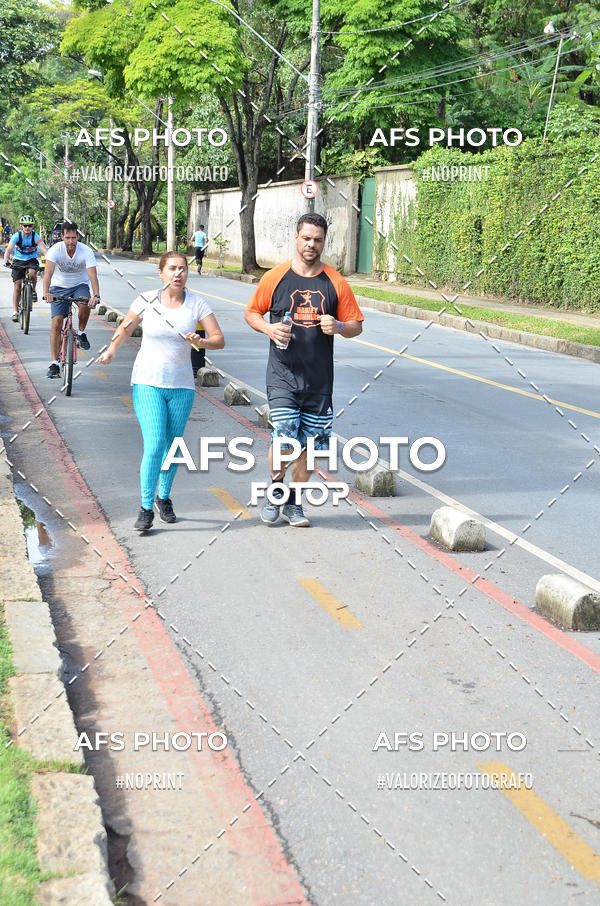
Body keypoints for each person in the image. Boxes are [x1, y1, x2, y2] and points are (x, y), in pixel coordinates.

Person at [245, 212, 364, 528]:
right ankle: (275, 491)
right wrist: (269, 330)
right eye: (306, 238)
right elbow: (252, 313)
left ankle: (295, 504)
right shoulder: (275, 277)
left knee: (310, 449)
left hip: (319, 380)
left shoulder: (335, 282)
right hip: (282, 375)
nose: (311, 244)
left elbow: (356, 326)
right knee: (285, 440)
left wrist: (339, 326)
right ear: (296, 238)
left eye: (317, 239)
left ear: (324, 242)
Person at [98, 251, 225, 533]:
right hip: (147, 381)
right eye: (172, 269)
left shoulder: (196, 304)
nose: (178, 274)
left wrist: (200, 340)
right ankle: (145, 507)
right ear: (161, 273)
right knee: (155, 444)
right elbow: (126, 327)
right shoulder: (146, 300)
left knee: (173, 447)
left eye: (182, 269)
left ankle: (163, 498)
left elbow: (219, 340)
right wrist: (112, 350)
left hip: (181, 385)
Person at [43, 221, 100, 377]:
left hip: (79, 285)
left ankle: (81, 333)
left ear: (77, 236)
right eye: (67, 238)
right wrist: (46, 292)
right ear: (62, 237)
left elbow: (92, 276)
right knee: (56, 323)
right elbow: (47, 275)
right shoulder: (55, 250)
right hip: (58, 287)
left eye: (73, 238)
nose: (70, 241)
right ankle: (54, 364)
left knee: (85, 302)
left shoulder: (86, 251)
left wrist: (96, 295)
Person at [3, 215, 48, 322]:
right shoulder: (16, 236)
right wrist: (7, 260)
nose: (27, 228)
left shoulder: (35, 236)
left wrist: (48, 261)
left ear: (33, 227)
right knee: (17, 285)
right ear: (21, 226)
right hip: (18, 260)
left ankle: (33, 290)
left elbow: (44, 250)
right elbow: (9, 249)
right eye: (25, 226)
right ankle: (15, 311)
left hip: (31, 260)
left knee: (32, 273)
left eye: (30, 226)